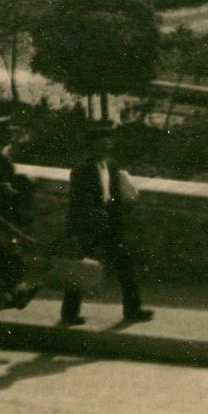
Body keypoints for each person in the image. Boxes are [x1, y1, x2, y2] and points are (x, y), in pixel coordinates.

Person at [61, 123, 149, 327]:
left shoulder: (110, 165)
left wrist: (118, 214)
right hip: (88, 227)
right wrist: (77, 230)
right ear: (91, 145)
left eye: (108, 142)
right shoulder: (81, 169)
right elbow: (78, 203)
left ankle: (132, 310)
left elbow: (115, 194)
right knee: (80, 269)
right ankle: (69, 314)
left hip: (109, 225)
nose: (107, 145)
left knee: (125, 265)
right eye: (102, 142)